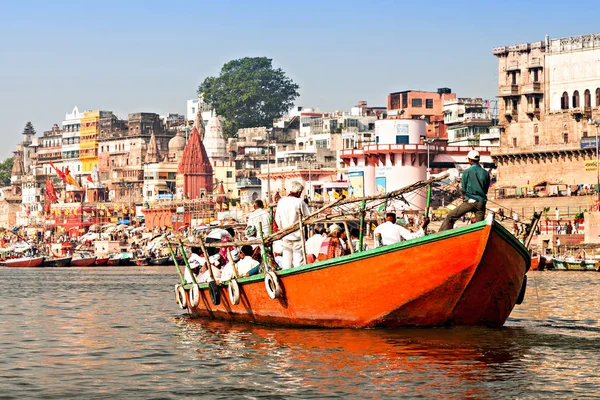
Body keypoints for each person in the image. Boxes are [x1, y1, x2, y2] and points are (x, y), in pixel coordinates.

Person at [439, 150, 490, 231]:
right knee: (479, 226)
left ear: (470, 160)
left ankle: (441, 236)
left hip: (470, 201)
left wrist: (464, 197)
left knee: (450, 217)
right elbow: (486, 189)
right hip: (481, 202)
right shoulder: (486, 173)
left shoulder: (467, 172)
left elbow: (463, 189)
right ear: (479, 160)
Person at [275, 181, 310, 269]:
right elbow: (308, 217)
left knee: (286, 262)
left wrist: (282, 229)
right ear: (298, 192)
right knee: (299, 262)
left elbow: (277, 219)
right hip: (298, 236)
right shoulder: (300, 202)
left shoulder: (281, 201)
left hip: (286, 235)